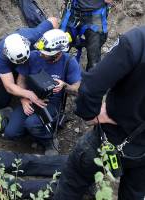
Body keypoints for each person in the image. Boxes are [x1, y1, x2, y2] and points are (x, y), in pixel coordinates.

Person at [54, 26, 145, 199]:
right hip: (142, 153)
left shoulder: (138, 41)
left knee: (73, 181)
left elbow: (90, 87)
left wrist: (90, 114)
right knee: (135, 194)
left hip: (109, 137)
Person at [4, 29, 81, 155]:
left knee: (31, 124)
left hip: (51, 103)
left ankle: (49, 140)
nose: (40, 54)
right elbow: (21, 80)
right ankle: (36, 133)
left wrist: (64, 85)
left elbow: (77, 89)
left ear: (57, 54)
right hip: (29, 99)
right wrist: (23, 99)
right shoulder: (33, 56)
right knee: (10, 133)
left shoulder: (68, 62)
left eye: (44, 53)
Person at [0, 17, 59, 108]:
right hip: (10, 69)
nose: (22, 63)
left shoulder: (35, 35)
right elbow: (9, 86)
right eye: (20, 62)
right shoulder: (2, 54)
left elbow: (53, 20)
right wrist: (27, 94)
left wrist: (55, 47)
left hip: (32, 60)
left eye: (24, 60)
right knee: (0, 102)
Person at [60, 0, 113, 71]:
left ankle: (56, 75)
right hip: (75, 11)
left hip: (92, 15)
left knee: (93, 59)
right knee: (58, 47)